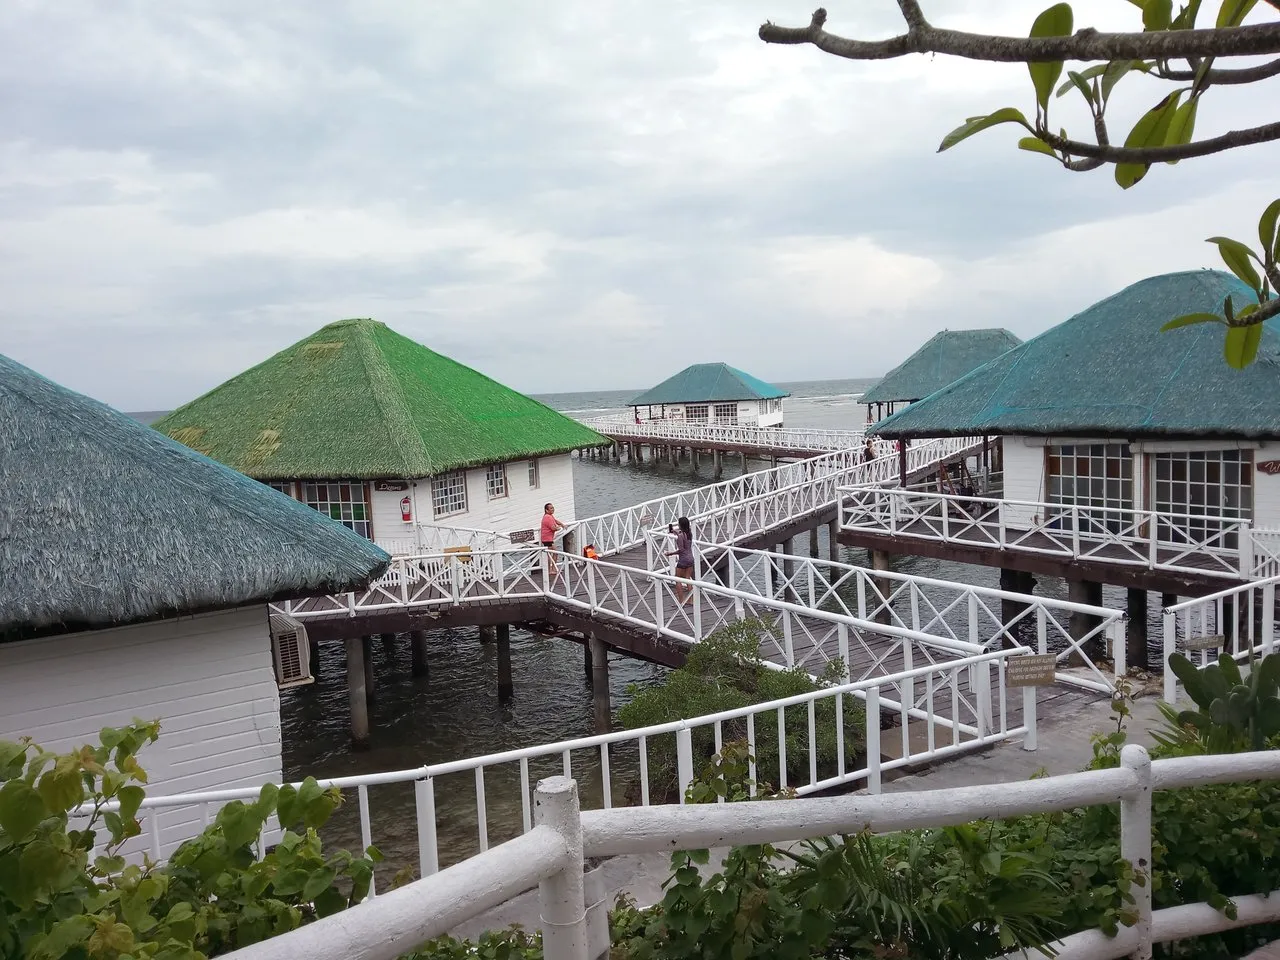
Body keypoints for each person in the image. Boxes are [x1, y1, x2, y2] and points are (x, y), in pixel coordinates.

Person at [665, 516, 695, 606]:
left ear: (680, 525)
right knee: (688, 579)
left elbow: (681, 550)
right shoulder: (689, 533)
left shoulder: (680, 536)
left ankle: (681, 601)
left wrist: (670, 553)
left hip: (683, 560)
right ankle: (691, 600)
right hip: (691, 559)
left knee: (677, 579)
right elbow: (682, 536)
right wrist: (675, 532)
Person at [541, 503, 566, 577]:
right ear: (546, 510)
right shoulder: (547, 517)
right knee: (552, 553)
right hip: (546, 539)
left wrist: (562, 524)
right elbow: (553, 528)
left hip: (548, 538)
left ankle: (553, 569)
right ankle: (551, 570)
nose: (553, 509)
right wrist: (559, 528)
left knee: (553, 553)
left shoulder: (550, 516)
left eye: (553, 508)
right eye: (551, 508)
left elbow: (555, 521)